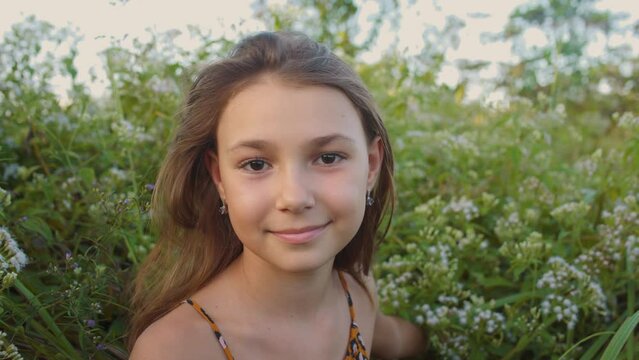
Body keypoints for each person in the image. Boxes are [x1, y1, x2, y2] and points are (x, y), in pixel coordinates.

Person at [128, 31, 426, 359]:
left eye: (328, 158)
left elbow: (401, 341)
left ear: (371, 165)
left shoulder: (356, 295)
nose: (294, 198)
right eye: (256, 164)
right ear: (219, 178)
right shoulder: (177, 350)